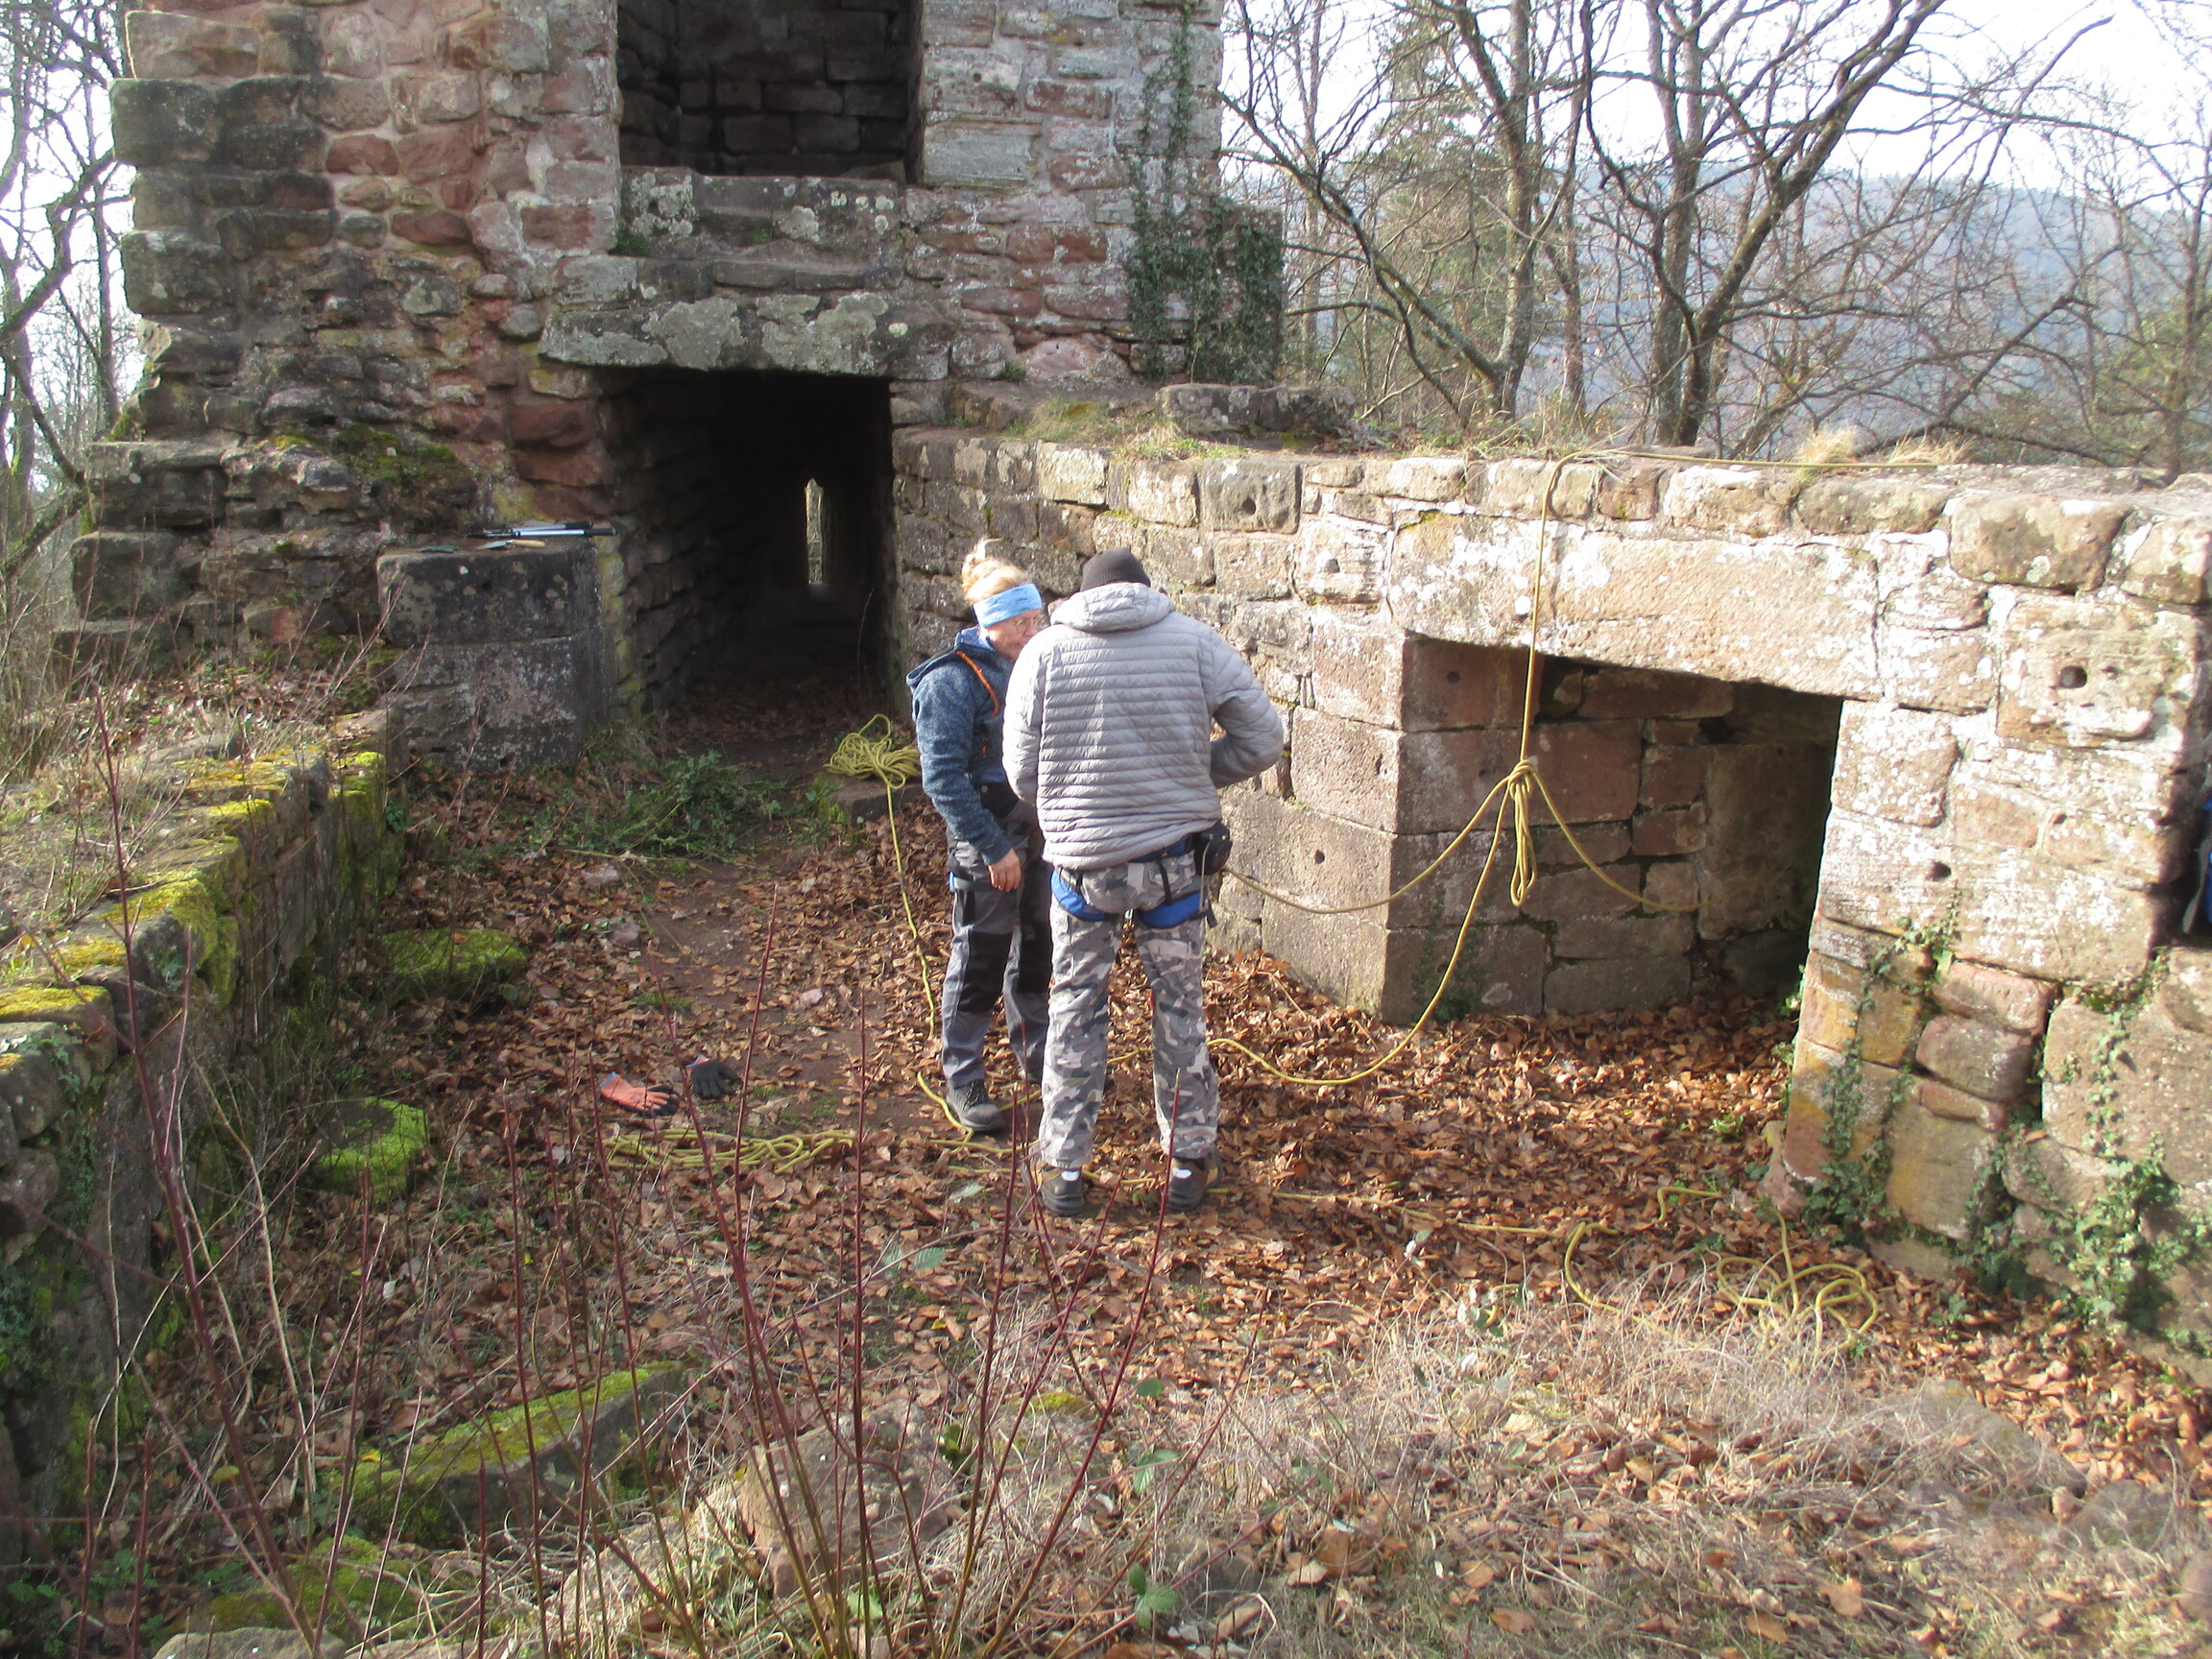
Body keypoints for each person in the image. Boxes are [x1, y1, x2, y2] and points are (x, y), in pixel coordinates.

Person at [1003, 548, 1285, 1215]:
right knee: (1180, 1007)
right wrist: (1189, 776)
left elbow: (1021, 773)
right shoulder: (1196, 643)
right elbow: (1263, 740)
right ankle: (1187, 1161)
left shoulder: (1042, 654)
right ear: (1146, 590)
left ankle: (1064, 1169)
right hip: (1172, 867)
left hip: (1082, 869)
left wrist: (1076, 799)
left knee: (1075, 1006)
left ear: (1080, 596)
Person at [907, 544, 1053, 1132]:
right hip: (986, 839)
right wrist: (993, 848)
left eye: (1035, 619)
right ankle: (964, 1076)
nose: (1032, 632)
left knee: (1037, 949)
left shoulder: (1037, 665)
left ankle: (1039, 1057)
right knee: (980, 957)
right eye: (1021, 623)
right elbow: (943, 778)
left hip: (1042, 833)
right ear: (990, 623)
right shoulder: (949, 683)